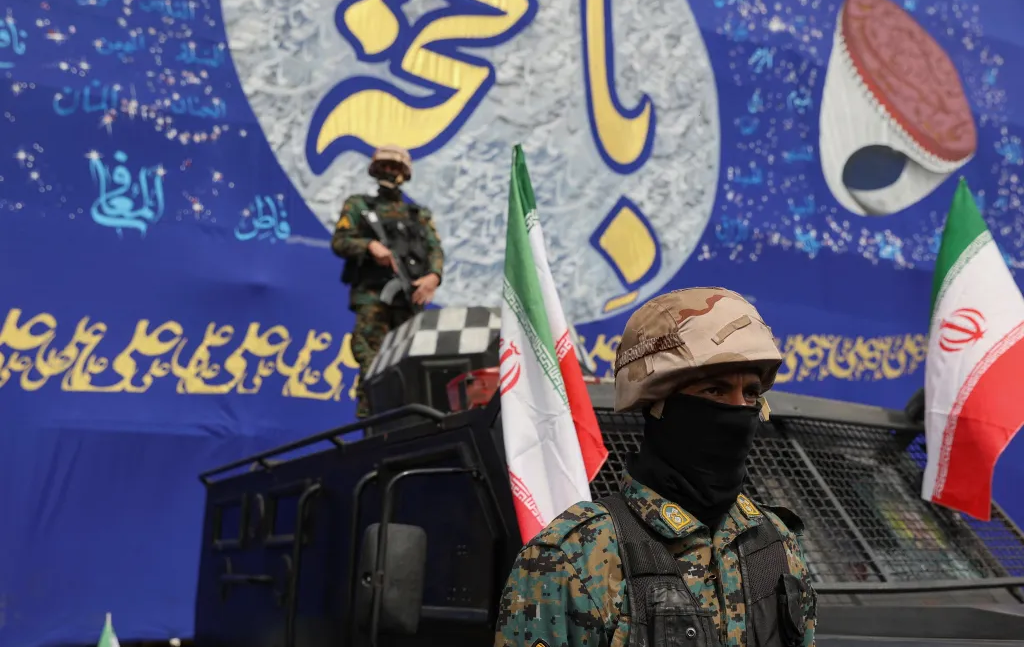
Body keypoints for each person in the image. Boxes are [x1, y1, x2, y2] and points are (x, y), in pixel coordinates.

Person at [494, 287, 817, 647]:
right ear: (658, 404)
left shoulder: (775, 542)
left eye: (751, 393)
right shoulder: (575, 557)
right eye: (714, 391)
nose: (739, 409)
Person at [332, 145, 444, 418]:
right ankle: (370, 422)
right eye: (385, 166)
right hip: (373, 296)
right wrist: (370, 246)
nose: (389, 171)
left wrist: (433, 277)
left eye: (395, 167)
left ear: (404, 173)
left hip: (408, 300)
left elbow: (435, 251)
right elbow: (340, 241)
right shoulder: (359, 205)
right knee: (372, 361)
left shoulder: (418, 215)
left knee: (409, 361)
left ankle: (407, 421)